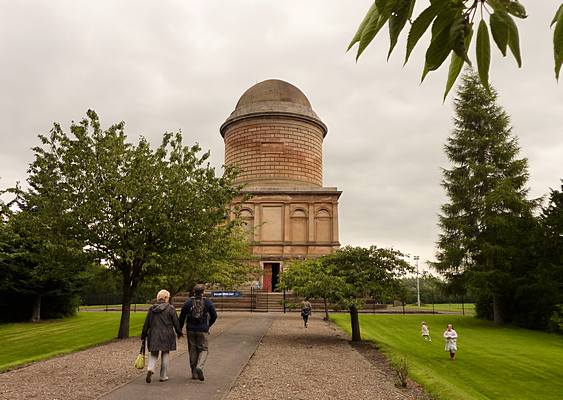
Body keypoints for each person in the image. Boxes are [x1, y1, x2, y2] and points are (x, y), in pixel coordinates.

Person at [141, 289, 182, 383]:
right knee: (165, 353)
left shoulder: (152, 309)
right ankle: (163, 376)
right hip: (167, 334)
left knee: (154, 353)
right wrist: (179, 333)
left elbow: (146, 323)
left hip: (154, 333)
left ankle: (150, 368)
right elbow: (176, 322)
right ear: (166, 298)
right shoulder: (171, 308)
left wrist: (143, 335)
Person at [178, 284, 217, 382]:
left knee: (192, 350)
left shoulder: (188, 302)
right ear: (203, 292)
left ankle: (194, 373)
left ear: (194, 292)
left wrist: (179, 330)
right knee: (204, 350)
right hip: (203, 329)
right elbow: (214, 316)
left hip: (191, 329)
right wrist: (208, 326)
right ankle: (200, 366)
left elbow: (182, 317)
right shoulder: (208, 302)